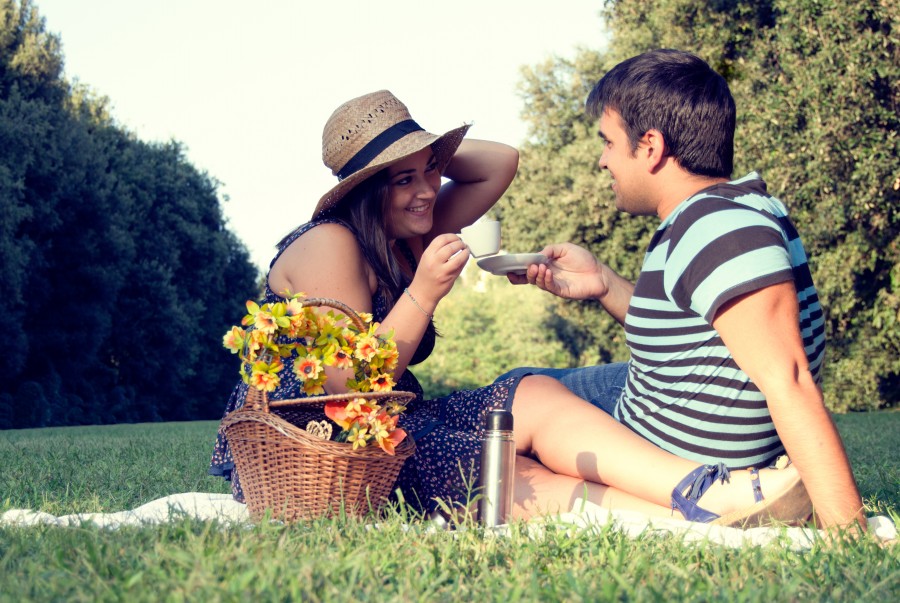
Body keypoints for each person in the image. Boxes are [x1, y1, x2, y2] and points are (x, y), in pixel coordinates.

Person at [210, 89, 818, 526]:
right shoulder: (331, 243)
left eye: (432, 172)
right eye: (402, 181)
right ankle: (699, 514)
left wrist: (421, 158)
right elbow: (345, 384)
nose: (428, 191)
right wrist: (422, 293)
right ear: (367, 191)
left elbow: (501, 163)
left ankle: (703, 490)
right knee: (495, 464)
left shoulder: (403, 229)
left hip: (392, 419)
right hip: (316, 444)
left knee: (526, 393)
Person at [497, 49, 865, 530]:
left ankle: (698, 506)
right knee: (516, 385)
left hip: (681, 454)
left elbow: (788, 377)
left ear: (649, 146)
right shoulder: (720, 212)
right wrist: (603, 283)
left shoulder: (719, 227)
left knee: (492, 439)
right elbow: (696, 342)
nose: (603, 160)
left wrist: (847, 526)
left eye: (608, 142)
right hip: (657, 403)